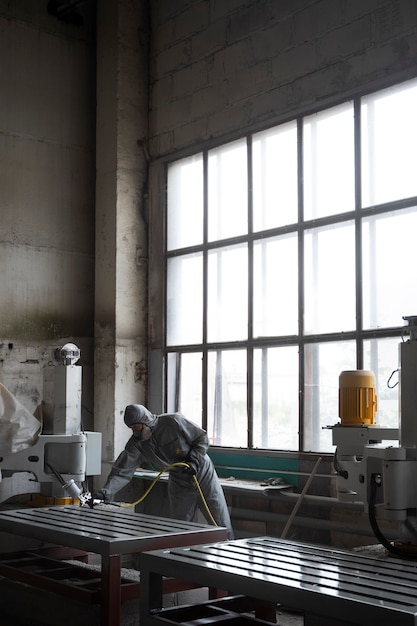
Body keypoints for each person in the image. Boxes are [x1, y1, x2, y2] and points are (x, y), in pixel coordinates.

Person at [95, 404, 234, 538]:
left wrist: (194, 460)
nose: (135, 431)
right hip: (178, 478)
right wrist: (106, 492)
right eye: (131, 428)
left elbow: (201, 438)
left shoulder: (173, 422)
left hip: (201, 472)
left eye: (136, 427)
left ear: (145, 421)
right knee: (180, 526)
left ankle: (229, 549)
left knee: (218, 518)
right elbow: (122, 470)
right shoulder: (137, 444)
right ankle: (184, 558)